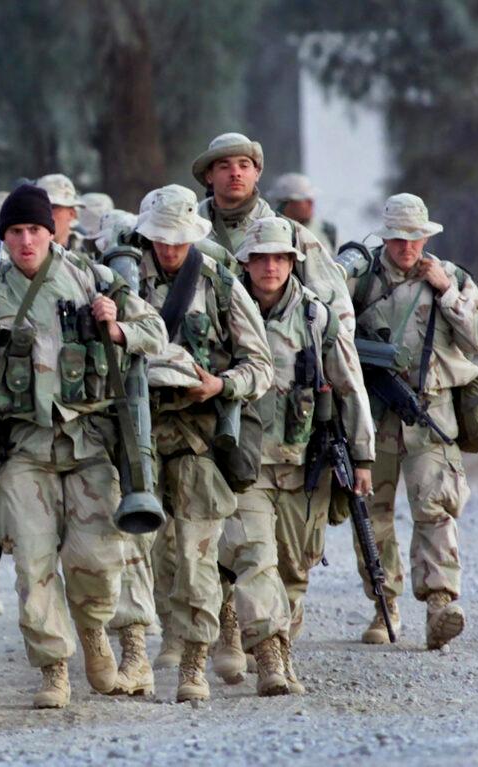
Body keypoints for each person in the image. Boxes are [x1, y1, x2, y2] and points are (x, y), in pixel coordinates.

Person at [0, 184, 167, 708]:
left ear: (51, 231)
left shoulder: (93, 278)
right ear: (4, 235)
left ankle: (93, 637)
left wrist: (119, 326)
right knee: (34, 568)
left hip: (89, 446)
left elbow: (157, 332)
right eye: (14, 231)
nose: (24, 241)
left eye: (34, 230)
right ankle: (54, 670)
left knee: (99, 562)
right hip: (23, 452)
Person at [132, 184, 273, 703]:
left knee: (196, 555)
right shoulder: (121, 279)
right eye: (160, 240)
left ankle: (194, 662)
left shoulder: (219, 283)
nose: (169, 249)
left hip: (196, 435)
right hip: (133, 435)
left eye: (178, 240)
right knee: (124, 552)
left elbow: (260, 366)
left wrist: (220, 385)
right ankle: (130, 651)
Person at [336, 193, 478, 650]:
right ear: (385, 237)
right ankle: (384, 606)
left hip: (430, 412)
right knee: (372, 512)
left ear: (427, 236)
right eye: (399, 238)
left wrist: (446, 291)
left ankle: (441, 604)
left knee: (435, 508)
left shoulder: (452, 277)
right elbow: (330, 325)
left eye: (416, 237)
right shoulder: (360, 281)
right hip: (375, 415)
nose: (408, 247)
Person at [227, 216, 374, 694]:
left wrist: (364, 458)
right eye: (260, 258)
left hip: (302, 465)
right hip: (243, 466)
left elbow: (350, 388)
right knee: (255, 558)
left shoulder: (317, 318)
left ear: (293, 262)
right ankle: (270, 655)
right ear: (245, 262)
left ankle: (281, 644)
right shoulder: (224, 308)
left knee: (294, 567)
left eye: (279, 258)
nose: (270, 267)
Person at [192, 132, 353, 332]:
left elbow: (337, 309)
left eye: (244, 165)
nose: (235, 173)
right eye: (224, 166)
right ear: (209, 175)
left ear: (257, 172)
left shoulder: (290, 234)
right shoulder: (187, 233)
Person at [269, 173, 338, 254]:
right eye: (304, 198)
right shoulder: (268, 232)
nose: (311, 202)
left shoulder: (326, 231)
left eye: (311, 198)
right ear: (286, 203)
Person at [35, 173, 85, 252]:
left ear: (72, 214)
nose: (45, 213)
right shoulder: (23, 250)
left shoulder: (88, 250)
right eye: (40, 207)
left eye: (53, 207)